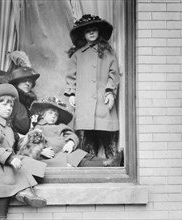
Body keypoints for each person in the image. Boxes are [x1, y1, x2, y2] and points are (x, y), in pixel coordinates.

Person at [0, 84, 47, 220]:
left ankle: (23, 191)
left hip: (4, 162)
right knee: (6, 185)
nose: (9, 108)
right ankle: (22, 195)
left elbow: (16, 142)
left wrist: (31, 139)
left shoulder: (7, 126)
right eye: (5, 105)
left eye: (11, 106)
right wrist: (11, 159)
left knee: (34, 168)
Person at [64, 14, 121, 163]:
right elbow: (71, 76)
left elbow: (113, 74)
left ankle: (113, 163)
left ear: (99, 32)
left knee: (106, 135)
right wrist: (71, 93)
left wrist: (110, 92)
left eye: (94, 29)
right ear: (83, 34)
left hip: (102, 102)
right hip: (84, 103)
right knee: (86, 138)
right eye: (88, 30)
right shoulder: (77, 55)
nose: (91, 32)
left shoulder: (108, 54)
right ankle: (89, 165)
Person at [18, 97, 122, 167]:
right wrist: (40, 151)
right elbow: (26, 145)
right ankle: (107, 164)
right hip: (55, 157)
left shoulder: (60, 126)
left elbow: (71, 135)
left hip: (67, 151)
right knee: (81, 161)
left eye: (56, 114)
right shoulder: (38, 128)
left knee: (86, 155)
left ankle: (110, 161)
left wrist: (71, 142)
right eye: (50, 113)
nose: (53, 116)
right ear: (43, 115)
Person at [0, 51, 40, 137]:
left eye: (30, 81)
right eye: (24, 80)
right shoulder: (10, 100)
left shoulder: (32, 102)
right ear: (17, 82)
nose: (28, 84)